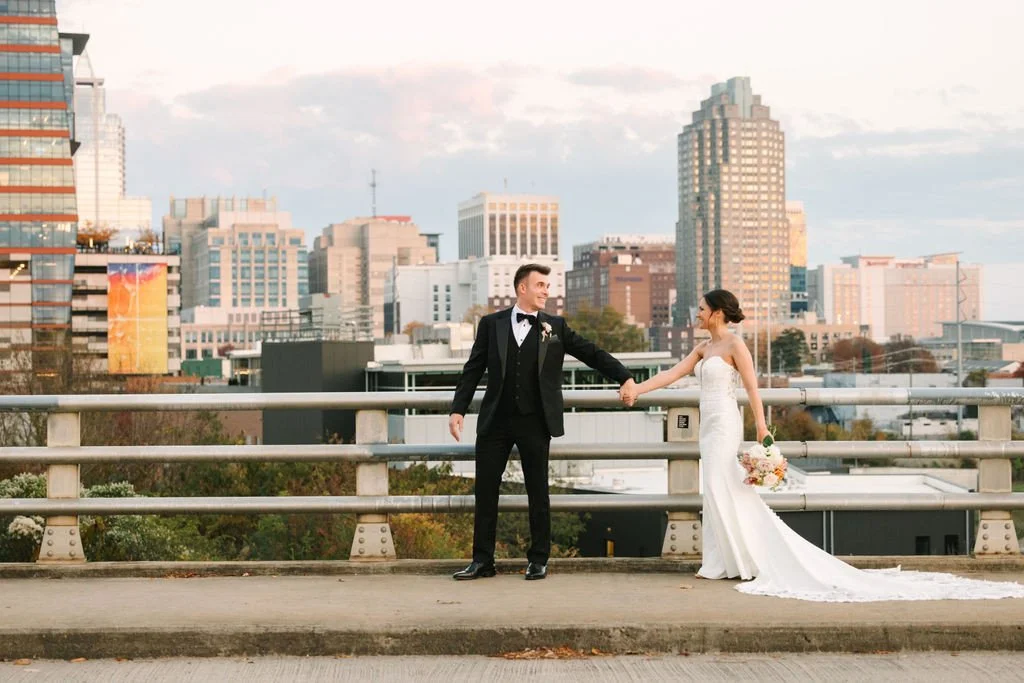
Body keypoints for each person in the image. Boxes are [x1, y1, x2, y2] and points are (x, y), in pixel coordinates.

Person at [619, 289, 1024, 601]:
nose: (698, 314)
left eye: (703, 309)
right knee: (715, 491)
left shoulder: (735, 346)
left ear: (719, 313)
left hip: (725, 423)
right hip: (708, 426)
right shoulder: (703, 348)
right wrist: (638, 388)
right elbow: (672, 374)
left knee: (728, 488)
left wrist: (762, 428)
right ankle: (721, 560)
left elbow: (753, 388)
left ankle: (740, 559)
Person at [449, 263, 637, 581]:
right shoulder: (491, 324)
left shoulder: (556, 327)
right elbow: (473, 368)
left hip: (536, 421)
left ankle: (538, 560)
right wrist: (458, 410)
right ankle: (482, 560)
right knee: (485, 491)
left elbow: (591, 353)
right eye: (540, 285)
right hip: (495, 420)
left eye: (547, 286)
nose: (546, 292)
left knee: (538, 492)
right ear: (522, 288)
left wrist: (626, 377)